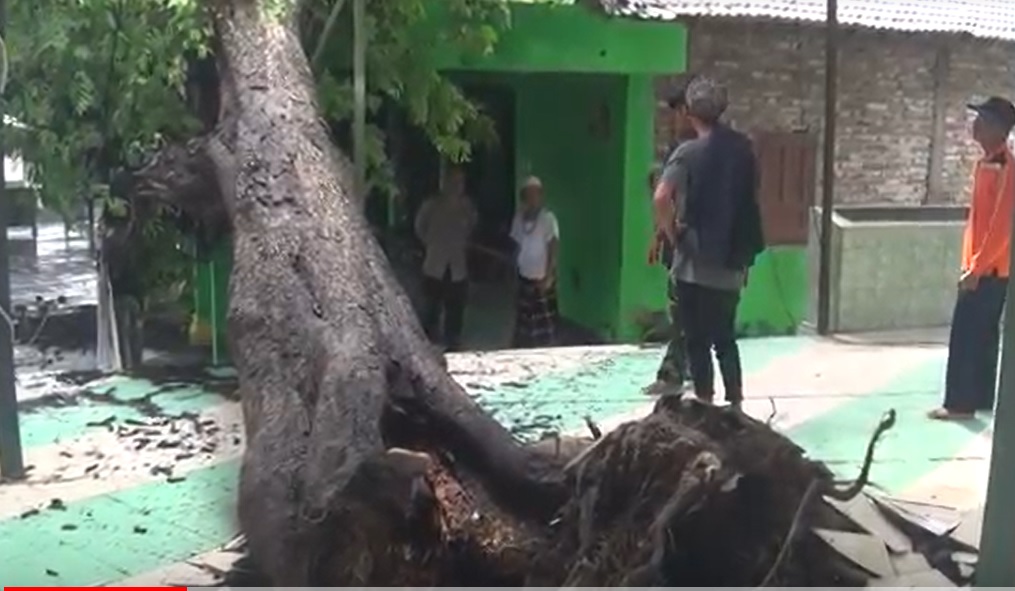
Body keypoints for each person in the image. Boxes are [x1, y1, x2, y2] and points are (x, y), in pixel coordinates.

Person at [651, 76, 764, 408]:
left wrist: (673, 234)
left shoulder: (688, 152)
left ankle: (705, 402)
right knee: (725, 340)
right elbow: (749, 204)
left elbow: (661, 197)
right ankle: (736, 406)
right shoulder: (744, 151)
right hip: (731, 262)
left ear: (690, 113)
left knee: (696, 339)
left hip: (692, 266)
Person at [929, 96, 1015, 421]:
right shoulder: (987, 163)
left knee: (966, 333)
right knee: (983, 333)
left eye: (981, 120)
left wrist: (977, 268)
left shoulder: (1006, 168)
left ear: (997, 128)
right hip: (981, 264)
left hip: (989, 268)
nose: (974, 125)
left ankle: (960, 404)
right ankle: (979, 398)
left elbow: (1001, 226)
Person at [645, 82, 699, 396]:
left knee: (683, 309)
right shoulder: (677, 150)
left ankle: (672, 374)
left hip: (691, 242)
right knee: (683, 308)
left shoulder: (698, 151)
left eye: (677, 112)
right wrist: (658, 235)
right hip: (677, 240)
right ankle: (688, 369)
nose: (673, 119)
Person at [415, 165, 478, 352]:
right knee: (431, 305)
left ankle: (453, 341)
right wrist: (430, 243)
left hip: (457, 264)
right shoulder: (431, 205)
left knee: (456, 306)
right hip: (435, 262)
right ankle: (430, 342)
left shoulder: (467, 206)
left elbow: (472, 226)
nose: (457, 186)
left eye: (460, 182)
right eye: (453, 181)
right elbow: (419, 227)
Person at [510, 176, 560, 348]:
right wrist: (514, 272)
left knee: (545, 326)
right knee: (524, 324)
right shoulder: (518, 219)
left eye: (535, 195)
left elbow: (553, 247)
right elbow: (515, 246)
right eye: (528, 195)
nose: (532, 199)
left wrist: (549, 275)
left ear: (540, 196)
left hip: (542, 279)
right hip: (524, 276)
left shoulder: (548, 219)